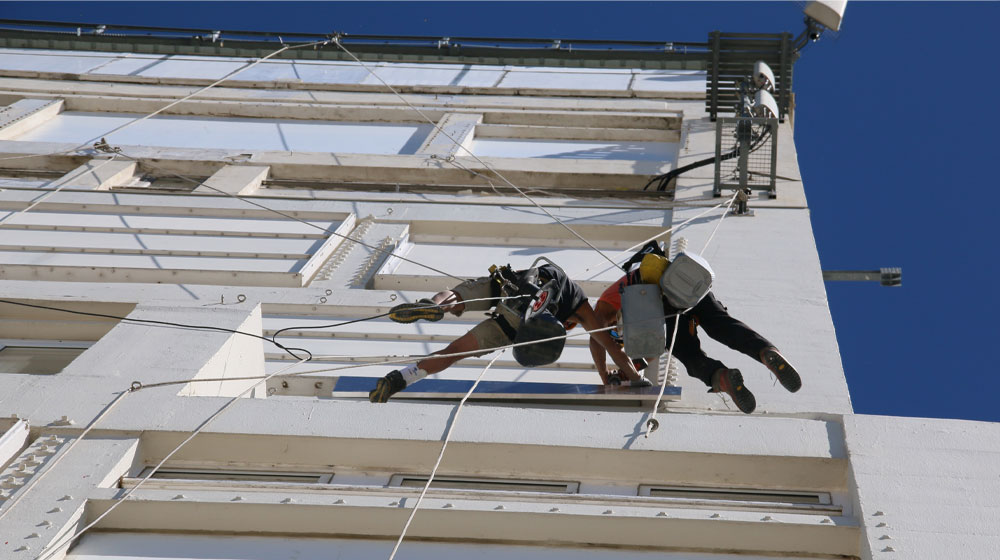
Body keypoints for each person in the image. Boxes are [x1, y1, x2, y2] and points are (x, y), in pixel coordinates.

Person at [370, 261, 650, 403]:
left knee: (456, 296)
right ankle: (404, 378)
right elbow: (608, 346)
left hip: (508, 290)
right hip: (522, 314)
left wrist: (605, 377)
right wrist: (635, 378)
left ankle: (430, 309)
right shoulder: (582, 308)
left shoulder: (566, 289)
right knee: (453, 353)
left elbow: (602, 346)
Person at [591, 253, 801, 414]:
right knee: (723, 326)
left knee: (688, 353)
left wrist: (604, 374)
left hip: (666, 301)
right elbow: (655, 348)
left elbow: (595, 337)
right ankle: (765, 352)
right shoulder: (628, 322)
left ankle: (718, 377)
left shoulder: (606, 306)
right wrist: (629, 371)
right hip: (687, 289)